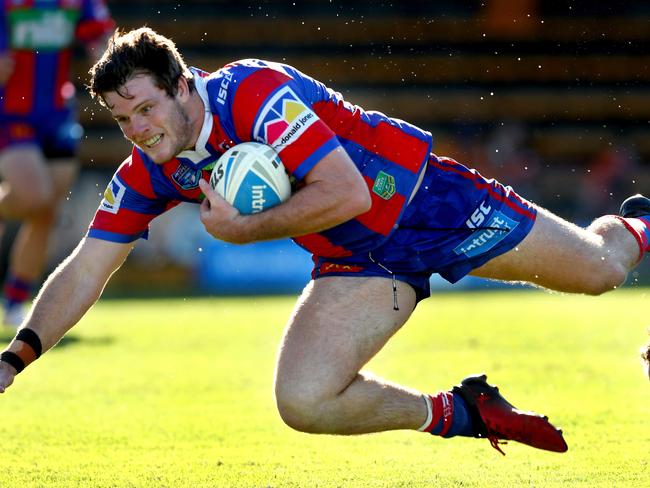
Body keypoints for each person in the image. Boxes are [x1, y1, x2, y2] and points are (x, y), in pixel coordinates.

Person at [1, 27, 649, 455]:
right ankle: (465, 412)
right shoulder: (151, 168)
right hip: (358, 261)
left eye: (145, 109)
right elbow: (86, 268)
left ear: (181, 85)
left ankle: (639, 224)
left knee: (601, 271)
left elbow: (349, 193)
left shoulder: (252, 94)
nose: (138, 130)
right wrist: (14, 358)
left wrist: (244, 229)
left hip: (429, 202)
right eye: (122, 119)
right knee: (304, 401)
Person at [0, 0, 114, 326]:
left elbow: (99, 37)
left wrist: (107, 60)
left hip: (57, 114)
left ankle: (14, 301)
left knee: (46, 210)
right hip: (11, 114)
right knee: (34, 195)